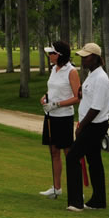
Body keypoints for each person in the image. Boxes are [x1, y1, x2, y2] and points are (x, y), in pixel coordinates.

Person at [65, 43, 109, 211]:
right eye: (82, 56)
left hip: (94, 125)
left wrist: (81, 127)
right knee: (94, 161)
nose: (83, 59)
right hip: (91, 124)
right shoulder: (92, 75)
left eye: (87, 56)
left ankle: (76, 202)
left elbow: (96, 108)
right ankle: (99, 200)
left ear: (96, 58)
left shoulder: (100, 78)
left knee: (72, 157)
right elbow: (89, 97)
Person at [39, 41, 81, 199]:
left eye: (52, 53)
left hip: (64, 117)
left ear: (60, 55)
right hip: (51, 116)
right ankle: (57, 188)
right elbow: (52, 89)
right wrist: (45, 98)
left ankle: (75, 190)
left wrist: (57, 104)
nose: (49, 56)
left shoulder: (71, 71)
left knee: (68, 153)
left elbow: (77, 97)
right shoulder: (53, 70)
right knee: (53, 151)